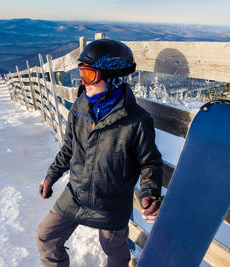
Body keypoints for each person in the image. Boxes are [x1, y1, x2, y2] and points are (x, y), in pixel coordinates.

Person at [36, 39, 163, 267]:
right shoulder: (79, 109)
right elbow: (68, 149)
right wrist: (50, 176)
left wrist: (149, 193)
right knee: (46, 236)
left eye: (90, 75)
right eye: (81, 74)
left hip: (111, 203)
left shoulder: (136, 120)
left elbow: (149, 163)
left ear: (114, 79)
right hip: (75, 194)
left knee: (115, 251)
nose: (84, 82)